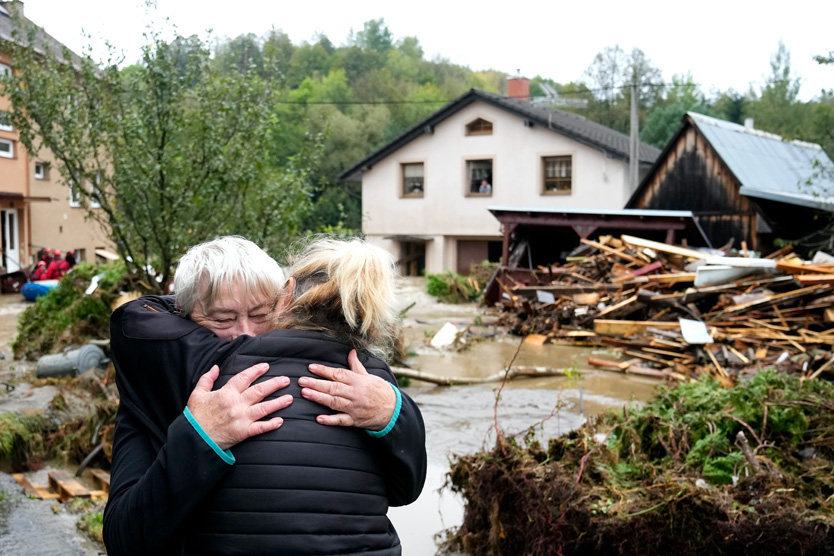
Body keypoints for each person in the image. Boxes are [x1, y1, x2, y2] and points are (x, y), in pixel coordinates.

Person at [104, 236, 426, 556]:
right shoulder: (160, 379)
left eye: (260, 315)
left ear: (285, 300)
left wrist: (392, 412)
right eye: (222, 319)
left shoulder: (364, 384)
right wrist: (201, 437)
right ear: (181, 318)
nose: (244, 333)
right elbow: (124, 539)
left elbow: (403, 489)